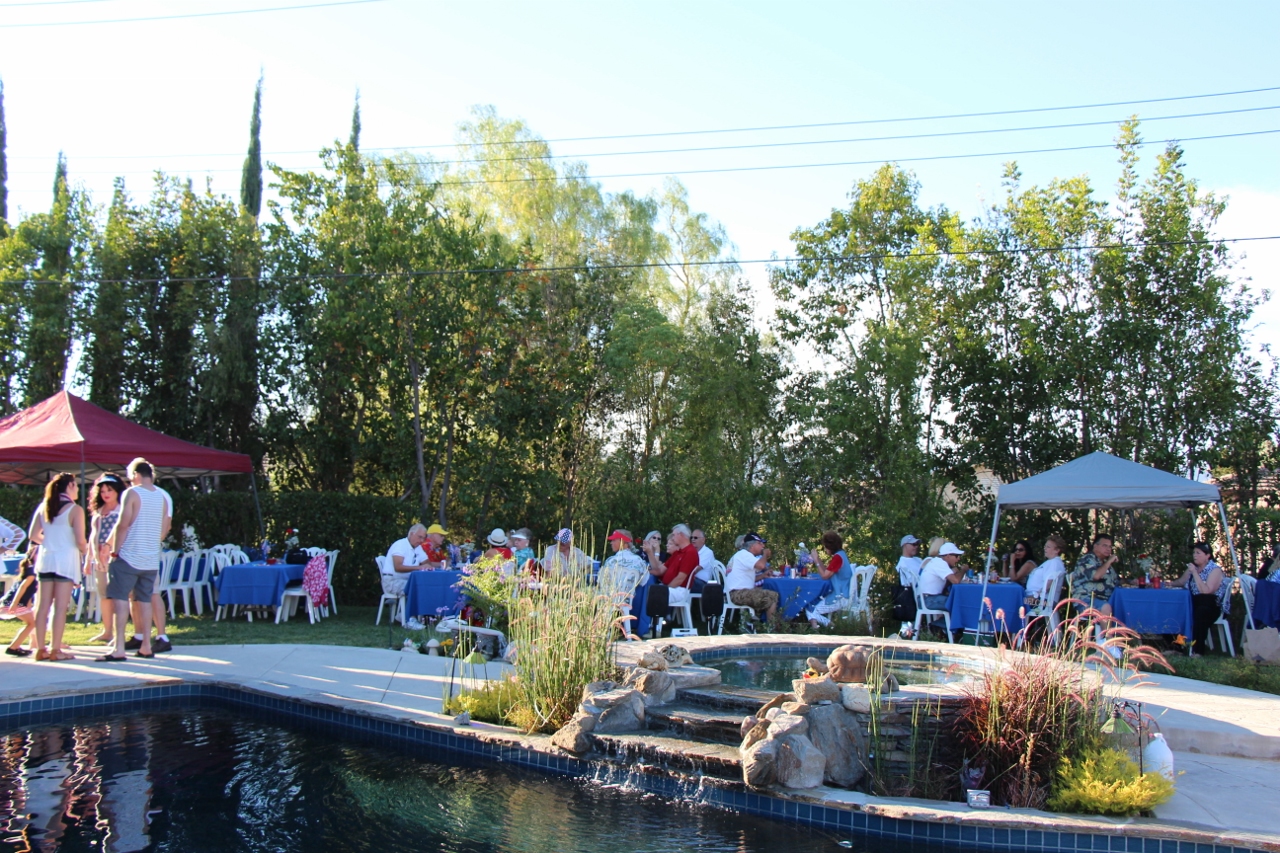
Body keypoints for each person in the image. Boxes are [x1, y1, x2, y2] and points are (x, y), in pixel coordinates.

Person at [101, 459, 171, 661]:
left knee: (120, 599)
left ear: (135, 474)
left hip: (130, 555)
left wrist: (114, 552)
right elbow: (165, 527)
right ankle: (147, 646)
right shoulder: (162, 497)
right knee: (145, 600)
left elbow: (123, 524)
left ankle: (119, 648)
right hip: (150, 559)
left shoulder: (132, 493)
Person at [28, 473, 87, 662]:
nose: (77, 489)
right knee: (60, 607)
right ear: (70, 485)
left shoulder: (44, 506)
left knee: (42, 605)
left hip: (46, 560)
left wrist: (51, 541)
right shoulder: (75, 510)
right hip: (65, 561)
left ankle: (40, 648)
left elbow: (34, 535)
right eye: (76, 485)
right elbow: (80, 540)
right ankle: (56, 649)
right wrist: (86, 552)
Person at [119, 460, 176, 655]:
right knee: (135, 596)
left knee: (151, 593)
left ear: (136, 474)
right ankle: (139, 635)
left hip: (146, 552)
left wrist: (150, 543)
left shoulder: (157, 495)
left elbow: (166, 525)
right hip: (141, 551)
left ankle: (161, 635)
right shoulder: (151, 494)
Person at [86, 474, 127, 646]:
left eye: (109, 490)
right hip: (99, 559)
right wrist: (88, 559)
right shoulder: (98, 511)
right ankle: (107, 631)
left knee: (119, 596)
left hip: (117, 557)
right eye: (102, 491)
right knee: (104, 595)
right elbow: (92, 536)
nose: (106, 494)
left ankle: (120, 633)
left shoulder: (122, 509)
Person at [1169, 542, 1230, 657]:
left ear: (1208, 555)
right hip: (1193, 602)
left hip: (1211, 605)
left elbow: (1206, 591)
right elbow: (1181, 582)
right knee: (1173, 611)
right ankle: (1176, 647)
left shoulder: (1214, 570)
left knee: (1201, 613)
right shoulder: (1194, 568)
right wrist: (1167, 584)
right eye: (1194, 553)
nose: (1194, 556)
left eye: (1198, 553)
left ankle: (1198, 651)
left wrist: (1195, 574)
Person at [724, 532, 777, 625]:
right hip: (737, 594)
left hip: (734, 592)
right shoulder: (745, 555)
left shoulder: (741, 555)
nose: (763, 546)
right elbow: (761, 565)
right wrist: (765, 554)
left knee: (765, 592)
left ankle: (755, 624)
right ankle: (772, 629)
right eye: (760, 543)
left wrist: (763, 575)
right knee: (772, 596)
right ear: (752, 545)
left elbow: (746, 579)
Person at [807, 530, 853, 626]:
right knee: (810, 604)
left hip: (840, 596)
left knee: (811, 610)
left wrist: (816, 561)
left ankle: (831, 626)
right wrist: (818, 558)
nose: (825, 549)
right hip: (842, 592)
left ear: (830, 546)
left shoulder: (837, 558)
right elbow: (826, 571)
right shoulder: (841, 555)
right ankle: (817, 629)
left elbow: (824, 576)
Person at [649, 524, 700, 609]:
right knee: (648, 589)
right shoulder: (678, 553)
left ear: (681, 535)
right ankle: (648, 621)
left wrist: (665, 589)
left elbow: (680, 579)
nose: (672, 537)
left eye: (674, 534)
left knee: (653, 593)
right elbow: (660, 570)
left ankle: (651, 621)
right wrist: (645, 571)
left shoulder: (690, 552)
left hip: (679, 590)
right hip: (672, 588)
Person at [1069, 533, 1119, 616]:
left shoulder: (1105, 564)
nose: (1108, 549)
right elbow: (1095, 576)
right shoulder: (1087, 559)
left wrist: (1132, 582)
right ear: (1095, 546)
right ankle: (1106, 630)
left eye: (1110, 546)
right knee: (1105, 607)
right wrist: (1109, 561)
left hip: (1106, 599)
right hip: (1086, 599)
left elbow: (1116, 581)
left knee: (1123, 605)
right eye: (1105, 546)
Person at [1, 550, 38, 656]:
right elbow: (23, 588)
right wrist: (14, 603)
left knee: (31, 623)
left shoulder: (29, 570)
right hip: (15, 603)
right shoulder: (32, 573)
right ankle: (13, 647)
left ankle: (15, 646)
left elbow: (29, 591)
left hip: (13, 602)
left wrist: (28, 604)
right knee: (32, 624)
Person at [918, 542, 966, 615]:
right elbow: (955, 581)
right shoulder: (940, 563)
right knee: (960, 603)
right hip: (928, 600)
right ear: (948, 556)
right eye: (956, 556)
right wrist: (963, 570)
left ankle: (942, 624)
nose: (958, 559)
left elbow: (946, 583)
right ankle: (939, 625)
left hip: (928, 598)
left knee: (958, 602)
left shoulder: (937, 562)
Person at [1024, 534, 1067, 609]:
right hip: (1039, 598)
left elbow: (1048, 585)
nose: (1045, 549)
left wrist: (1035, 596)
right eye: (1045, 546)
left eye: (1048, 547)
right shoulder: (1051, 562)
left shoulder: (1054, 563)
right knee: (1014, 598)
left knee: (1014, 601)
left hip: (1044, 600)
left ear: (1057, 550)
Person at [383, 523, 428, 597]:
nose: (421, 540)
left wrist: (429, 565)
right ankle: (414, 609)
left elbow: (427, 562)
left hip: (405, 581)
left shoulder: (418, 547)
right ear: (411, 534)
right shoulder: (400, 545)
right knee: (421, 589)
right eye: (420, 537)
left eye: (423, 538)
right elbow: (398, 567)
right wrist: (419, 567)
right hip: (393, 581)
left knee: (426, 586)